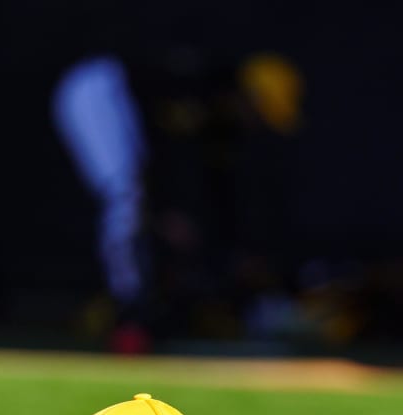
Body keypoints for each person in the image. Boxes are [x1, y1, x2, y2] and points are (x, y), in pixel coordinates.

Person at [52, 49, 303, 352]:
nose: (258, 123)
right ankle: (130, 316)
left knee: (136, 200)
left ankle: (143, 311)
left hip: (127, 113)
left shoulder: (222, 122)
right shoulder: (196, 91)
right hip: (96, 90)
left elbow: (218, 187)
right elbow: (162, 152)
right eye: (260, 111)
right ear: (248, 96)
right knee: (125, 195)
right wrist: (166, 211)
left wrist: (235, 251)